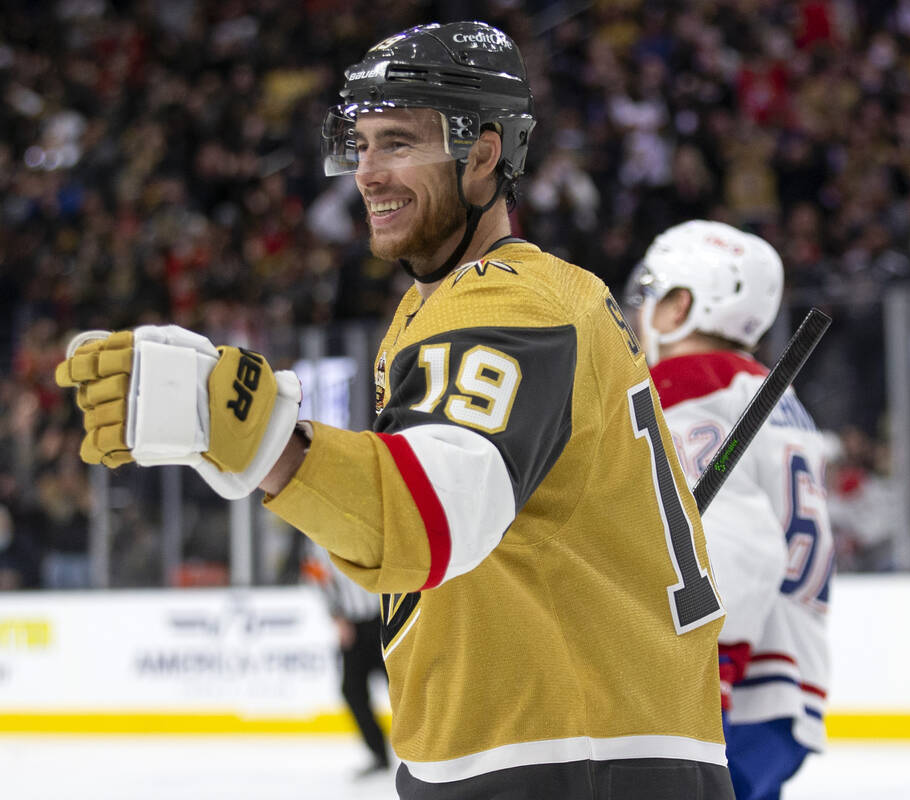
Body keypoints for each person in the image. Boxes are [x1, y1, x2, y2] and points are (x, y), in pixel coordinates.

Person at [53, 21, 734, 800]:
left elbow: (426, 516)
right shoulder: (464, 304)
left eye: (399, 143)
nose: (367, 173)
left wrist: (257, 436)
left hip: (564, 755)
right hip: (563, 745)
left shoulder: (508, 302)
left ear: (482, 154)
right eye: (362, 143)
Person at [628, 220, 833, 800]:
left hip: (730, 689)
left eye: (651, 295)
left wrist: (711, 673)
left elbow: (732, 542)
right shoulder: (771, 396)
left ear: (682, 307)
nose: (640, 311)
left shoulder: (685, 392)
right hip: (780, 684)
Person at [300, 542, 391, 779]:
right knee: (352, 690)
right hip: (353, 626)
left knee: (402, 686)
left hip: (384, 620)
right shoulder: (315, 540)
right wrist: (337, 617)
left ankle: (426, 749)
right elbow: (317, 576)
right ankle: (380, 754)